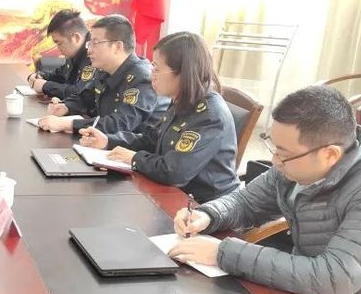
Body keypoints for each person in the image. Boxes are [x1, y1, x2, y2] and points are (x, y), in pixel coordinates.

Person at [169, 85, 361, 294]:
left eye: (284, 154)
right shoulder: (295, 164)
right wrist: (208, 215)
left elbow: (334, 279)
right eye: (275, 148)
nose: (276, 162)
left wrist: (222, 253)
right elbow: (247, 202)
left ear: (330, 154)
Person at [78, 32, 240, 203]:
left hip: (204, 206)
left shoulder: (209, 115)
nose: (151, 75)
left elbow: (175, 171)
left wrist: (134, 158)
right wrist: (108, 141)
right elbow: (152, 139)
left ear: (183, 73)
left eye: (156, 68)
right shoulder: (182, 99)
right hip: (173, 194)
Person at [38, 14, 159, 136]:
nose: (89, 50)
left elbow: (120, 123)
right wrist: (66, 107)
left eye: (95, 43)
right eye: (89, 43)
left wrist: (68, 124)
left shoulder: (143, 78)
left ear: (117, 46)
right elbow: (85, 97)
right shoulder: (105, 70)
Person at [27, 8, 101, 103]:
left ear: (76, 37)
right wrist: (39, 76)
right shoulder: (74, 53)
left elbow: (80, 93)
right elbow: (59, 75)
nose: (58, 48)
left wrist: (45, 86)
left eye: (59, 43)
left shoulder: (94, 55)